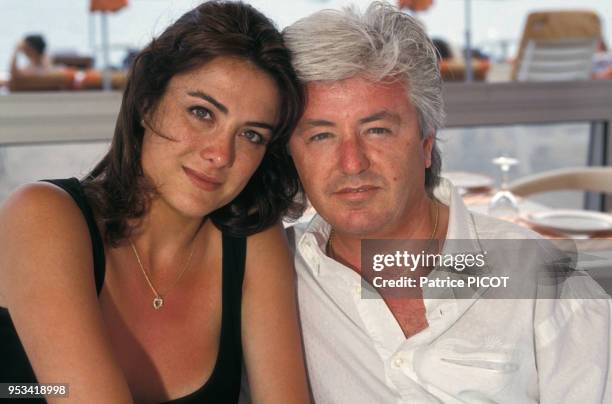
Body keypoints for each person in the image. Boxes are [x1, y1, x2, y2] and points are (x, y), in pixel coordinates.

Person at [283, 2, 611, 403]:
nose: (352, 162)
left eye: (378, 130)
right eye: (321, 136)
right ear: (291, 155)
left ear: (425, 144)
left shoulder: (545, 284)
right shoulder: (278, 273)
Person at [0, 1, 309, 403]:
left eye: (251, 135)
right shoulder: (43, 216)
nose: (221, 154)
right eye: (202, 112)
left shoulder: (251, 241)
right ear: (146, 102)